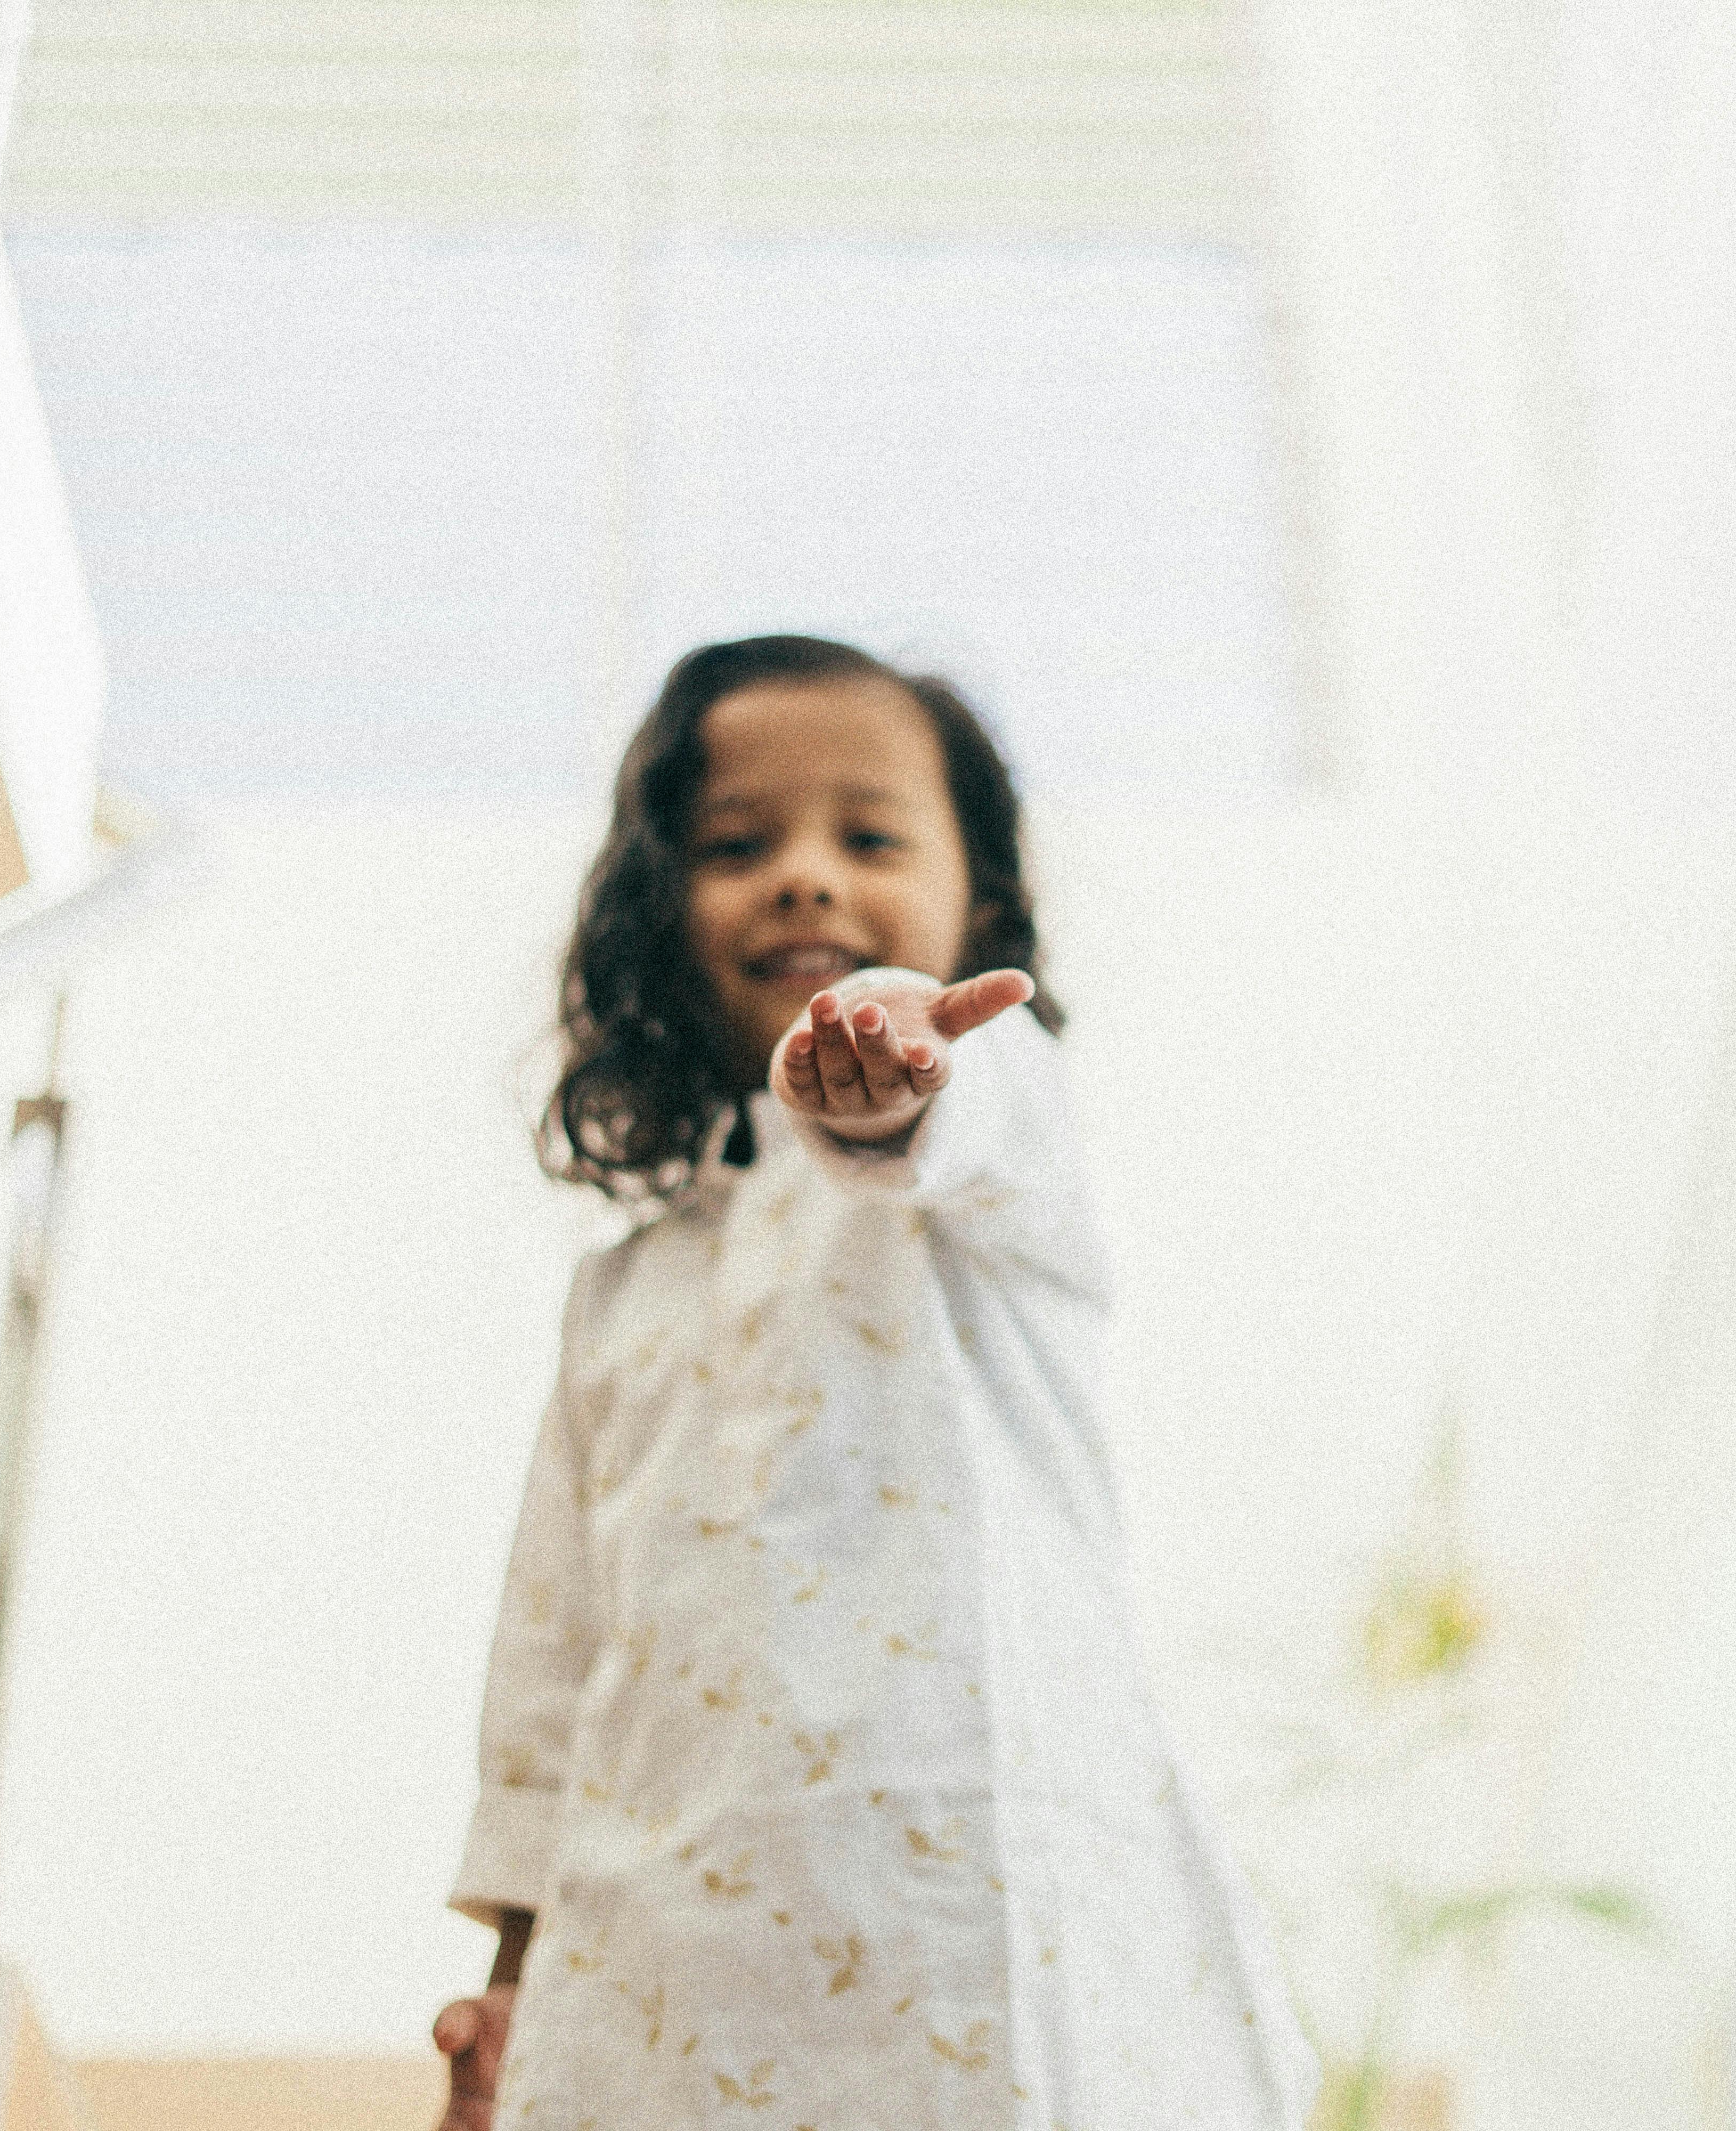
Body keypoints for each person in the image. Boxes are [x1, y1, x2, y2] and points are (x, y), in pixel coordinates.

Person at [432, 636, 1314, 2129]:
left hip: (972, 1893)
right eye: (736, 844)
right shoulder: (622, 1293)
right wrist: (517, 1976)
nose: (805, 876)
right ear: (659, 912)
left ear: (982, 906)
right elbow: (550, 1649)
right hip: (671, 1945)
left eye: (871, 835)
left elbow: (958, 1104)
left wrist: (910, 1056)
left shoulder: (994, 1170)